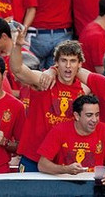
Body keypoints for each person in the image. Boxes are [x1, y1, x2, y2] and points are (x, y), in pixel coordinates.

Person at [9, 25, 87, 172]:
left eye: (73, 61)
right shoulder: (43, 80)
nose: (68, 66)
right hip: (34, 156)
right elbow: (18, 70)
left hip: (64, 161)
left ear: (80, 64)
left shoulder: (84, 89)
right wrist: (18, 45)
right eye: (63, 60)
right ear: (56, 62)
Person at [37, 94, 105, 184]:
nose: (94, 119)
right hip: (65, 184)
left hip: (94, 185)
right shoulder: (59, 130)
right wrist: (66, 169)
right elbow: (42, 165)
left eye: (97, 115)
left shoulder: (104, 129)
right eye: (89, 115)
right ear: (77, 116)